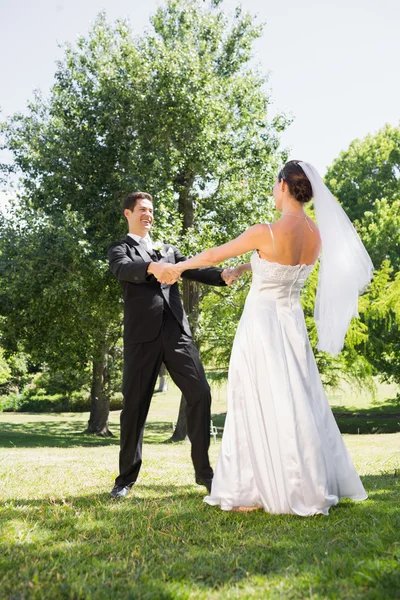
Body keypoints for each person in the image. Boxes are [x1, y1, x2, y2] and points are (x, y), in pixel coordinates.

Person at [166, 161, 373, 516]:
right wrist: (248, 267)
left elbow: (215, 254)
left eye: (274, 185)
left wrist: (177, 268)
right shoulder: (316, 235)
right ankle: (302, 481)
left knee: (257, 398)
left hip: (261, 326)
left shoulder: (266, 231)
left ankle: (255, 487)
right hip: (291, 325)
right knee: (296, 398)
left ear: (283, 186)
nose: (272, 191)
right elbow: (286, 267)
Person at [108, 191, 237, 499]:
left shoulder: (168, 250)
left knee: (201, 393)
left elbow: (193, 268)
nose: (148, 214)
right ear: (128, 213)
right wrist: (152, 268)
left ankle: (205, 474)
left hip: (177, 335)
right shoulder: (119, 249)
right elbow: (123, 270)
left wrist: (222, 274)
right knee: (134, 409)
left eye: (151, 210)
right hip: (142, 339)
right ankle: (125, 480)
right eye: (142, 209)